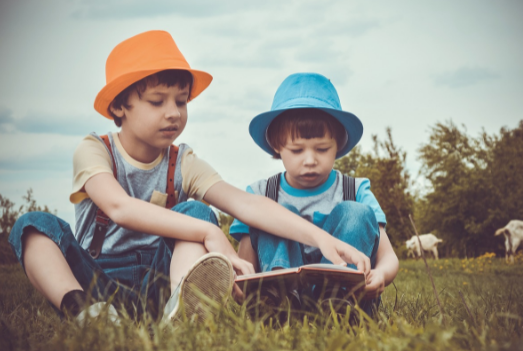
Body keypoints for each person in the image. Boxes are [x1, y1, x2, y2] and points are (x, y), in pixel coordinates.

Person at [8, 32, 372, 324]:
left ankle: (179, 310)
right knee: (33, 225)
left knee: (195, 211)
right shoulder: (94, 150)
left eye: (181, 101)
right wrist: (210, 233)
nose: (173, 114)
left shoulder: (183, 161)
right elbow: (118, 207)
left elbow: (246, 204)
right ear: (119, 106)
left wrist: (321, 238)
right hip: (96, 278)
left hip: (159, 279)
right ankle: (84, 311)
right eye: (157, 101)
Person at [230, 73, 399, 315]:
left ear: (338, 144)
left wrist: (381, 274)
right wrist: (243, 285)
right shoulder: (260, 194)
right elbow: (246, 265)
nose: (310, 160)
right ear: (277, 146)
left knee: (355, 212)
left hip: (347, 298)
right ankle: (280, 300)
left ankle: (338, 302)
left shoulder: (355, 190)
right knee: (274, 213)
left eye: (322, 149)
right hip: (281, 303)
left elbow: (389, 257)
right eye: (297, 150)